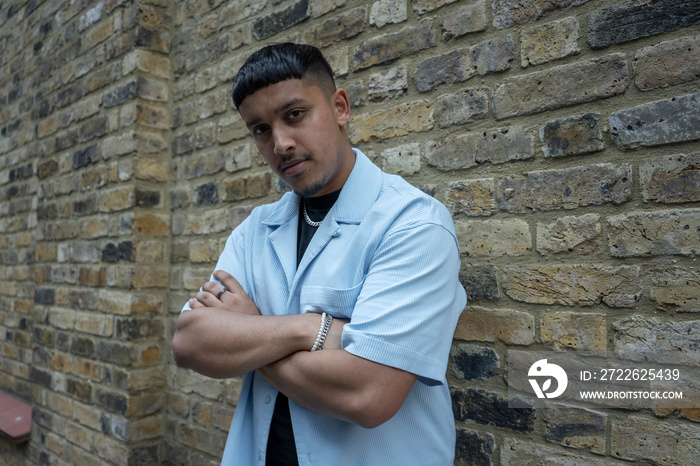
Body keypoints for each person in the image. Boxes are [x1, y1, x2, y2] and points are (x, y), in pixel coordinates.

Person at [172, 43, 467, 466]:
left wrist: (251, 329)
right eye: (260, 129)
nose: (281, 143)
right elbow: (189, 342)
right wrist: (312, 329)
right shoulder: (255, 231)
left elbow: (369, 393)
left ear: (340, 107)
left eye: (294, 115)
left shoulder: (413, 225)